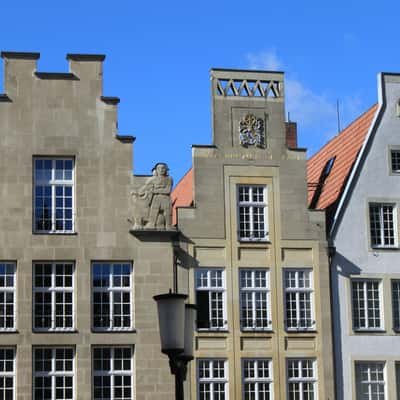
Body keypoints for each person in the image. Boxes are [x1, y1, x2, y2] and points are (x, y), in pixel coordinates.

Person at [139, 163, 173, 229]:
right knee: (153, 211)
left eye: (163, 168)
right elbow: (145, 188)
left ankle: (168, 225)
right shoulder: (152, 179)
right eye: (159, 168)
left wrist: (155, 190)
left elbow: (168, 190)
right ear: (156, 170)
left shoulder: (169, 179)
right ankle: (151, 224)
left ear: (166, 169)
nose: (161, 170)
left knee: (168, 212)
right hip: (156, 198)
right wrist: (139, 192)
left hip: (166, 198)